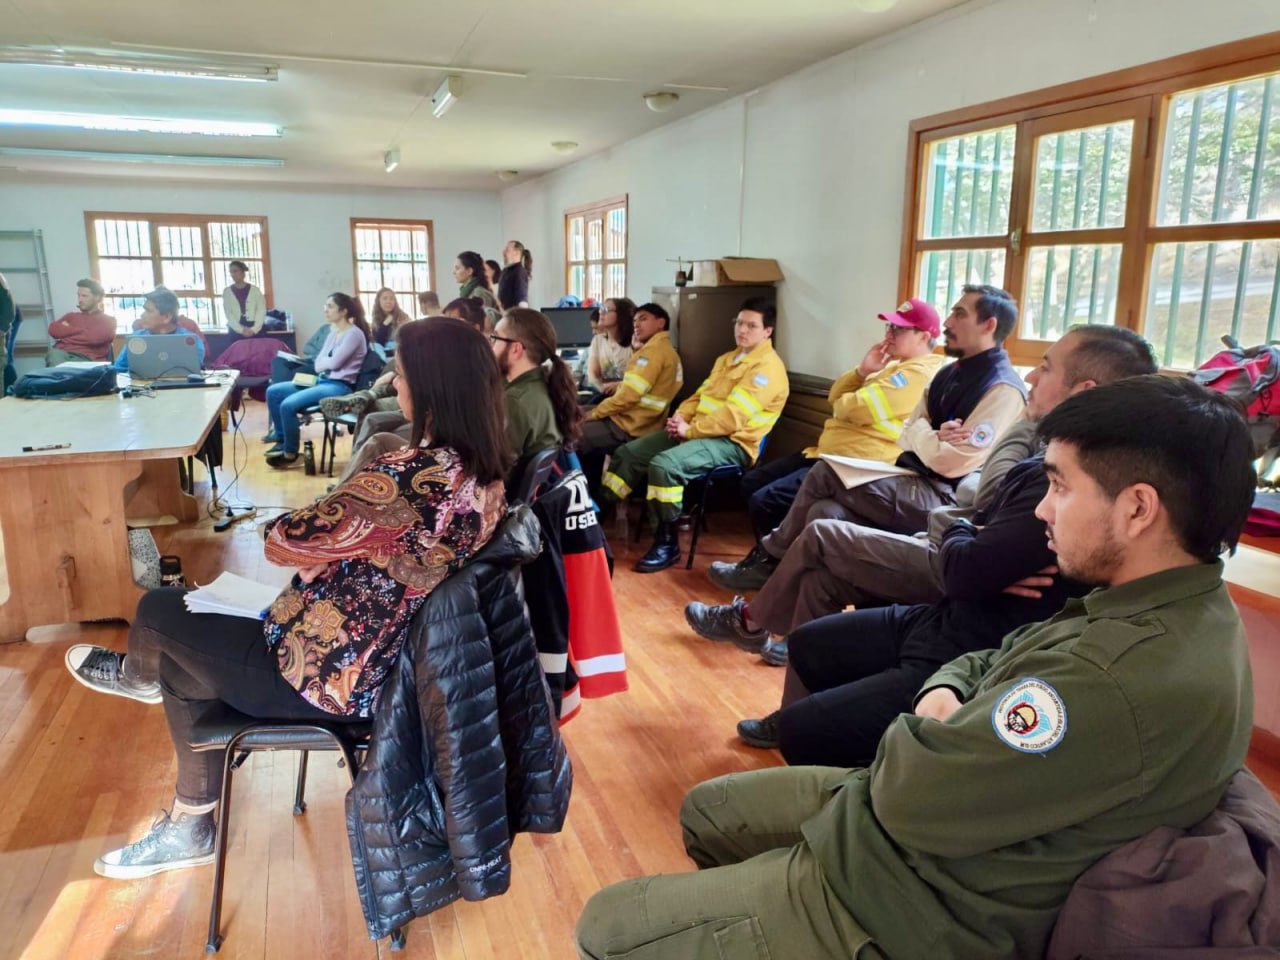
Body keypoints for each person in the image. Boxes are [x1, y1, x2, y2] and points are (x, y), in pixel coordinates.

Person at [576, 374, 1258, 960]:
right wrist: (946, 691)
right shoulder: (1172, 603)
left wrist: (932, 713)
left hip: (920, 902)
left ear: (1137, 508)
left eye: (1059, 486)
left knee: (606, 926)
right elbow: (994, 656)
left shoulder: (1108, 675)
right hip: (928, 834)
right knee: (709, 807)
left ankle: (785, 910)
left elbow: (907, 796)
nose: (1042, 509)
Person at [63, 317, 511, 880]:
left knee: (158, 611)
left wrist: (323, 544)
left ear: (432, 388)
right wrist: (343, 550)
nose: (395, 384)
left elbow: (284, 540)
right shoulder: (483, 475)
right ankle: (189, 820)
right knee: (185, 655)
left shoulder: (408, 475)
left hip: (327, 673)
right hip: (378, 661)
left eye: (400, 375)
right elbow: (392, 549)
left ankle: (140, 682)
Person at [694, 327, 1160, 763]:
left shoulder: (1040, 439)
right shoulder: (966, 386)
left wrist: (963, 521)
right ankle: (784, 693)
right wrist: (969, 510)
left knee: (822, 528)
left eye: (1045, 367)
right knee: (822, 534)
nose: (1031, 378)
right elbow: (935, 455)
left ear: (1084, 391)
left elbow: (971, 496)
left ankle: (755, 620)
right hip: (945, 552)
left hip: (951, 560)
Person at [711, 283, 1027, 591]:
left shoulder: (999, 387)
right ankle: (782, 589)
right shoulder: (947, 373)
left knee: (821, 475)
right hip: (907, 477)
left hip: (941, 496)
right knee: (823, 514)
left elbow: (949, 462)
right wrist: (928, 433)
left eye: (959, 314)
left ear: (988, 325)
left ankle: (768, 559)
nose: (948, 322)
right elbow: (904, 431)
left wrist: (923, 433)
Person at [599, 297, 789, 573]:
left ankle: (667, 543)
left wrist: (691, 430)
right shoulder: (727, 359)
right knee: (628, 453)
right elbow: (698, 397)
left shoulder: (767, 369)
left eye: (751, 325)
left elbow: (733, 417)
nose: (742, 330)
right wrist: (681, 417)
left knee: (664, 465)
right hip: (697, 432)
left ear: (767, 331)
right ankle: (599, 515)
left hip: (732, 443)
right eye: (739, 323)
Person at [739, 299, 945, 543]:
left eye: (899, 329)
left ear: (924, 337)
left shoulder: (919, 374)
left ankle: (783, 553)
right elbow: (835, 396)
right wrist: (862, 372)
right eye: (889, 326)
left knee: (767, 500)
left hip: (857, 464)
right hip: (828, 454)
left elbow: (854, 409)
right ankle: (778, 548)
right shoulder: (890, 367)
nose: (889, 333)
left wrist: (844, 404)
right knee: (751, 482)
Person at [333, 300, 492, 483]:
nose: (447, 325)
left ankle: (369, 395)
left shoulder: (421, 477)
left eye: (401, 376)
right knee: (378, 433)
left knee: (374, 414)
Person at [263, 293, 370, 467]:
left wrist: (327, 363)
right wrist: (327, 363)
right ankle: (281, 442)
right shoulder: (333, 333)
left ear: (343, 311)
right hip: (322, 381)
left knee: (287, 405)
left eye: (330, 306)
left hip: (340, 386)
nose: (325, 310)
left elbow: (334, 363)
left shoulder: (354, 334)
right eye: (325, 306)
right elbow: (318, 365)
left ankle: (290, 453)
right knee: (273, 391)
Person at [580, 302, 682, 458]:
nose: (636, 324)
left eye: (643, 319)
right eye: (635, 320)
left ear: (660, 323)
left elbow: (628, 396)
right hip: (638, 420)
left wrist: (595, 413)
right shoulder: (663, 350)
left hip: (630, 425)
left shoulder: (652, 353)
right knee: (577, 413)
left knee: (572, 433)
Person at [490, 307, 580, 462]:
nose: (490, 346)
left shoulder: (515, 401)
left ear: (516, 349)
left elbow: (496, 465)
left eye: (495, 338)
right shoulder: (546, 385)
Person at [114, 287, 207, 374]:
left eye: (148, 311)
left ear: (166, 317)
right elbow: (118, 370)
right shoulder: (136, 338)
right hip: (141, 385)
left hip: (182, 385)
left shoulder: (192, 342)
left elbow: (194, 371)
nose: (142, 315)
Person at [47, 277, 118, 363]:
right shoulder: (71, 316)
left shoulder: (108, 321)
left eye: (84, 296)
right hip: (62, 354)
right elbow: (52, 329)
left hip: (88, 360)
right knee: (53, 354)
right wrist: (83, 331)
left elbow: (93, 338)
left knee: (55, 357)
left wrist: (65, 336)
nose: (80, 300)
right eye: (79, 296)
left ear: (97, 297)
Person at [585, 298, 636, 395]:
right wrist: (603, 389)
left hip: (628, 394)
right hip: (604, 393)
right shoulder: (598, 340)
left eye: (607, 309)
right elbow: (592, 374)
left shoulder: (634, 342)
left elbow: (641, 377)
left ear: (621, 314)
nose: (601, 312)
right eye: (601, 308)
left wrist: (621, 386)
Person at [221, 260, 266, 336]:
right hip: (235, 328)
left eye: (235, 271)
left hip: (255, 327)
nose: (233, 275)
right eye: (231, 272)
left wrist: (254, 329)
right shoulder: (227, 292)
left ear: (243, 272)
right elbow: (228, 313)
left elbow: (261, 310)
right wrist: (241, 330)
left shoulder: (255, 290)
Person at [497, 240, 531, 311]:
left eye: (507, 250)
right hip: (505, 314)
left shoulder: (519, 272)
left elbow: (522, 300)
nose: (503, 252)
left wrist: (523, 316)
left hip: (513, 315)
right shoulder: (505, 271)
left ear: (517, 253)